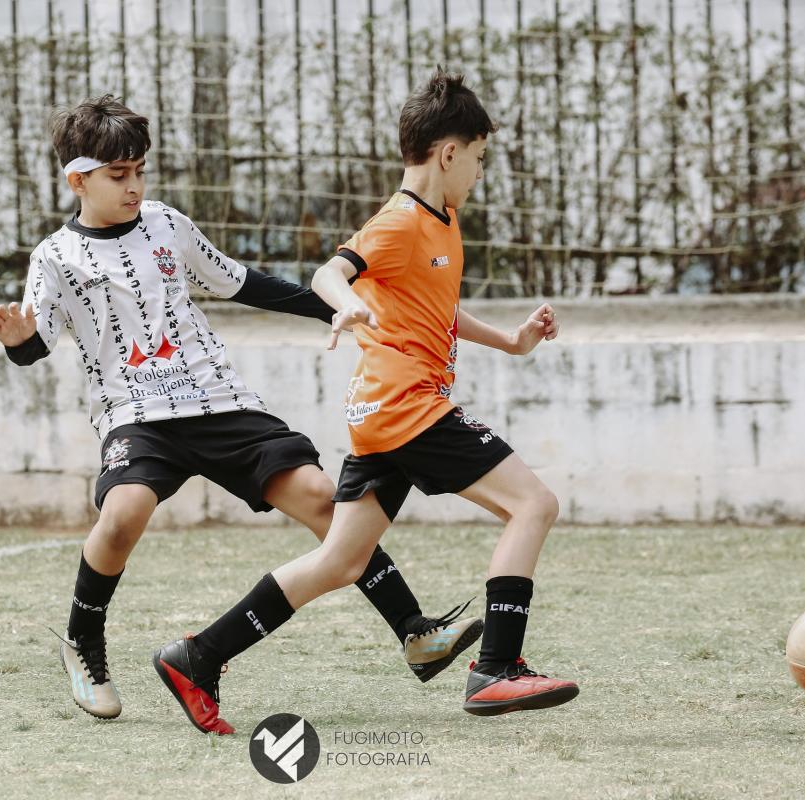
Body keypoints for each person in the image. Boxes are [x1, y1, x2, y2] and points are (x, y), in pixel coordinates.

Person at [0, 95, 482, 728]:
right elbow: (35, 343)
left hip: (218, 400)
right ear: (77, 180)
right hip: (136, 414)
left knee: (322, 499)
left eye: (140, 171)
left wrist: (337, 309)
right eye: (118, 175)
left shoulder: (167, 225)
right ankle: (84, 641)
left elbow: (243, 282)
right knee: (123, 515)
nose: (134, 186)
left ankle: (414, 630)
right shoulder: (54, 257)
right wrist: (17, 341)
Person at [155, 69, 577, 733]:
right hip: (409, 409)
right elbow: (331, 272)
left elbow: (436, 308)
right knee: (533, 504)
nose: (479, 172)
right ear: (448, 153)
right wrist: (347, 304)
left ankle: (197, 656)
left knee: (341, 560)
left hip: (382, 415)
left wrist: (511, 342)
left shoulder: (443, 222)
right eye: (479, 158)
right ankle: (497, 668)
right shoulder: (399, 221)